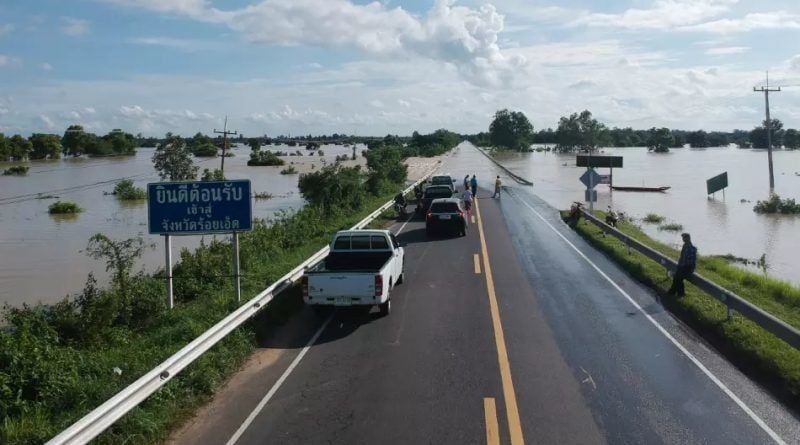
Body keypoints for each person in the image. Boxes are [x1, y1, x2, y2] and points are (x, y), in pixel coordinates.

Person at [668, 233, 697, 297]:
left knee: (677, 278)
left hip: (687, 267)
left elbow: (688, 261)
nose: (683, 239)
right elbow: (682, 258)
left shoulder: (690, 248)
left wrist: (681, 266)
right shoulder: (685, 245)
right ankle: (676, 292)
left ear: (688, 238)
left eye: (684, 238)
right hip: (683, 266)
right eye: (683, 238)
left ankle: (676, 292)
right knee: (677, 278)